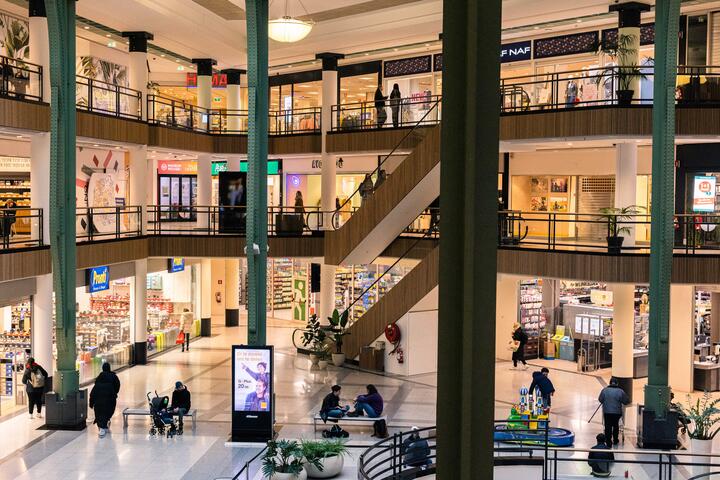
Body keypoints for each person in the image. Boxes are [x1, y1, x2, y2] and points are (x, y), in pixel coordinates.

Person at [89, 362, 120, 437]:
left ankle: (102, 427)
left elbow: (93, 393)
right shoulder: (113, 377)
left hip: (99, 402)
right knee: (107, 413)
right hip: (109, 401)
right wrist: (114, 393)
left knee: (100, 414)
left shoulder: (99, 380)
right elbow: (117, 386)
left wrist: (91, 403)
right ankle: (104, 425)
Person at [598, 377, 630, 447]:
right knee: (616, 425)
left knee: (607, 426)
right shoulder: (620, 391)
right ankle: (615, 440)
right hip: (617, 412)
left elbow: (600, 399)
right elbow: (626, 401)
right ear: (617, 384)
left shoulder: (604, 390)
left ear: (610, 383)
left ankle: (608, 441)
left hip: (607, 412)